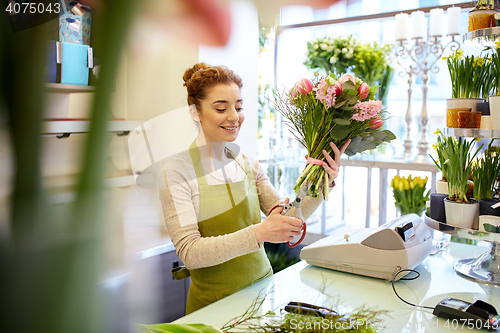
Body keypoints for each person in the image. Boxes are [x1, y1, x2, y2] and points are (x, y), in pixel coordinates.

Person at [159, 63, 350, 314]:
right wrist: (258, 233)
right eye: (221, 108)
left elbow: (289, 218)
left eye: (238, 107)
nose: (234, 117)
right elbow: (190, 252)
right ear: (195, 112)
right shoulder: (177, 170)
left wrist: (323, 179)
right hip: (213, 307)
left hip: (263, 293)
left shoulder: (248, 164)